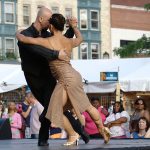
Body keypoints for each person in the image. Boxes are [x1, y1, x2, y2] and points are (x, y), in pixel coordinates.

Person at [16, 13, 111, 145]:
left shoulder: (47, 41)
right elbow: (80, 39)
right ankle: (102, 129)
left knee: (55, 110)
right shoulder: (68, 41)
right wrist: (74, 27)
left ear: (52, 26)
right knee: (88, 106)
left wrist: (18, 34)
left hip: (65, 79)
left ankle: (73, 135)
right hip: (75, 76)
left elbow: (27, 40)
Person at [17, 7, 75, 146]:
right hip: (34, 77)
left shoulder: (47, 34)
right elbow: (38, 50)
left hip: (48, 75)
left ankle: (74, 133)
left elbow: (61, 40)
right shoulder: (26, 34)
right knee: (51, 106)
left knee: (54, 105)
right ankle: (78, 133)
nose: (51, 22)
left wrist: (72, 29)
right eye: (49, 20)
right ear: (41, 19)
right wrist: (56, 54)